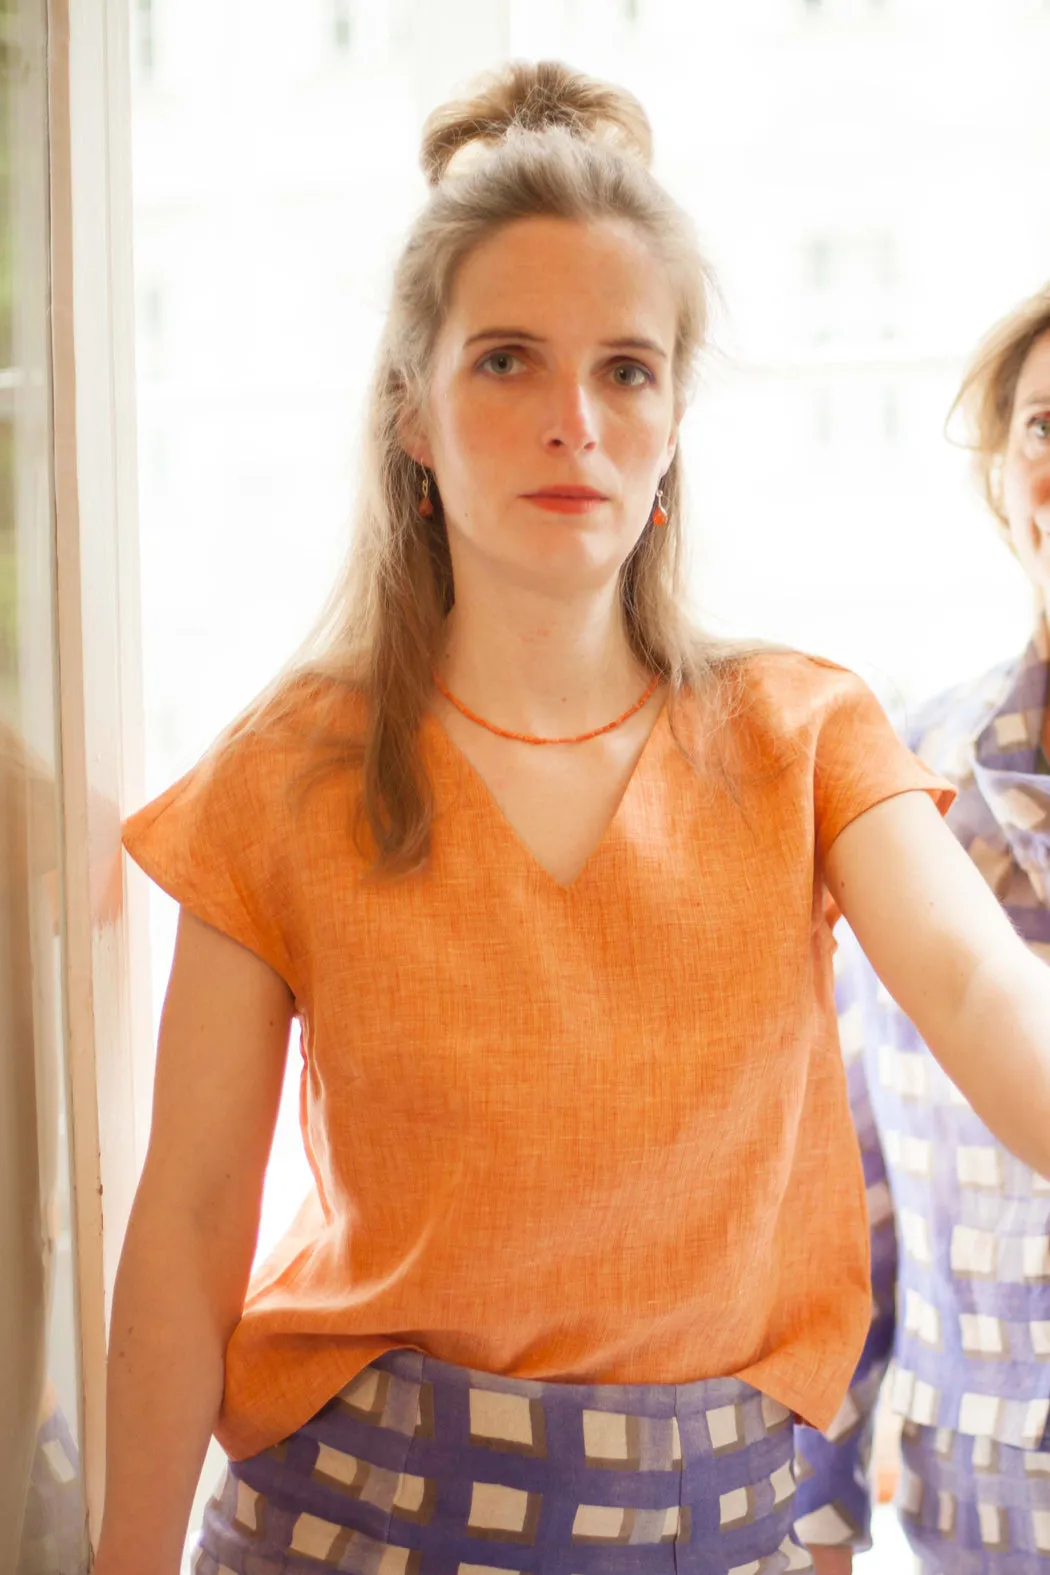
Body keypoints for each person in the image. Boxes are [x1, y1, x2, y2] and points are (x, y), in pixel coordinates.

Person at [94, 64, 1050, 1575]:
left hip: (720, 1533)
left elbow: (992, 997)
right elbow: (189, 1223)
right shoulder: (284, 774)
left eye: (624, 369)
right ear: (411, 413)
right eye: (505, 363)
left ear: (673, 419)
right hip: (348, 1527)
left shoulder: (802, 736)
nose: (572, 423)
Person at [795, 285, 1050, 1575]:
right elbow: (848, 1214)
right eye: (1049, 425)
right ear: (1003, 478)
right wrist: (822, 1529)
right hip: (982, 1529)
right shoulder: (906, 783)